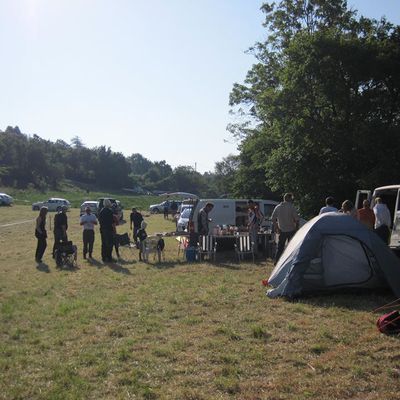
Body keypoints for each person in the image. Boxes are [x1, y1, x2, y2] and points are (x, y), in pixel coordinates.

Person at [271, 193, 299, 264]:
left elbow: (273, 219)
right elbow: (296, 219)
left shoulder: (278, 207)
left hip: (282, 230)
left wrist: (277, 228)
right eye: (291, 198)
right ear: (289, 198)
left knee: (280, 248)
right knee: (291, 248)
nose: (292, 200)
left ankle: (277, 262)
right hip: (291, 230)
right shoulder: (292, 207)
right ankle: (290, 262)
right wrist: (297, 229)